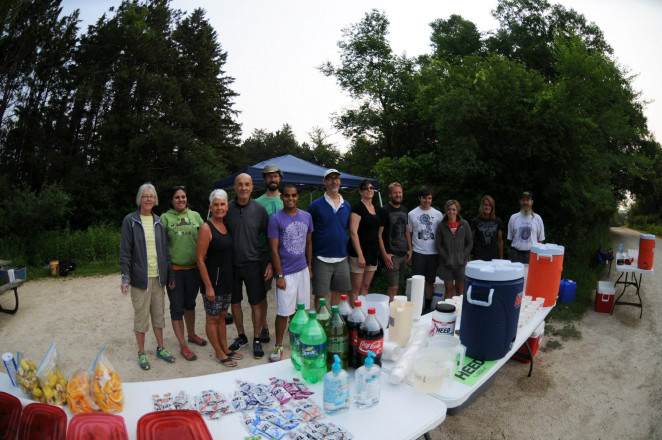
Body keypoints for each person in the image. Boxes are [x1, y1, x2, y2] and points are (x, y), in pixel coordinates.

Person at [120, 183, 176, 371]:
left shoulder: (159, 221)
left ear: (156, 200)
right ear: (139, 199)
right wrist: (126, 277)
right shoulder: (130, 221)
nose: (149, 199)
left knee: (159, 315)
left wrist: (170, 275)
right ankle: (142, 352)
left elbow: (165, 252)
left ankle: (161, 348)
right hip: (140, 280)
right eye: (145, 196)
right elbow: (125, 252)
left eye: (152, 196)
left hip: (158, 279)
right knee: (141, 317)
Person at [225, 173, 272, 359]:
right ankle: (242, 336)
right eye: (240, 185)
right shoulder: (226, 208)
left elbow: (269, 238)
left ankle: (257, 338)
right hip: (232, 265)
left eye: (247, 184)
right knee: (235, 302)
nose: (243, 188)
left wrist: (269, 263)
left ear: (252, 187)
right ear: (235, 188)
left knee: (255, 304)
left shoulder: (260, 210)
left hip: (254, 264)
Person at [195, 189, 243, 367]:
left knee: (222, 315)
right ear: (210, 207)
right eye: (216, 204)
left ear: (226, 206)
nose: (219, 207)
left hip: (226, 280)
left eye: (222, 204)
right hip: (212, 283)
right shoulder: (206, 228)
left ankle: (225, 348)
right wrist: (208, 286)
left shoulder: (226, 225)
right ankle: (218, 352)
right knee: (212, 318)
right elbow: (199, 259)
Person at [267, 184, 313, 362]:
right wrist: (279, 275)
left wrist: (309, 266)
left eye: (293, 195)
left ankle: (297, 342)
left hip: (302, 270)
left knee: (300, 312)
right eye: (287, 196)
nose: (290, 199)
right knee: (283, 312)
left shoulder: (306, 216)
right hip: (285, 272)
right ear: (281, 197)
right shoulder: (276, 219)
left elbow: (309, 243)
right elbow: (273, 249)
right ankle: (278, 345)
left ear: (298, 197)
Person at [161, 186, 207, 362]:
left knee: (190, 304)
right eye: (177, 197)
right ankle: (183, 345)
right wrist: (168, 272)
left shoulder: (195, 216)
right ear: (172, 200)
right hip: (175, 271)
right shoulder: (165, 218)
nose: (181, 200)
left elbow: (205, 237)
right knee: (176, 308)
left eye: (183, 197)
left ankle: (192, 334)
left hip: (194, 269)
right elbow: (161, 246)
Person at [308, 168, 352, 308]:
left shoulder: (347, 205)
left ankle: (334, 323)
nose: (334, 181)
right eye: (330, 178)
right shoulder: (315, 206)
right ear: (324, 182)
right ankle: (319, 326)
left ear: (340, 181)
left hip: (341, 258)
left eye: (336, 178)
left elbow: (347, 229)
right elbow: (309, 233)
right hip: (321, 258)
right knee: (320, 296)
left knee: (338, 293)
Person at [254, 164, 284, 346]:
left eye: (275, 176)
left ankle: (290, 324)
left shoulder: (287, 198)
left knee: (286, 291)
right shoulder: (257, 203)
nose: (273, 179)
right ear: (265, 179)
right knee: (262, 293)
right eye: (269, 177)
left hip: (285, 254)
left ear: (279, 178)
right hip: (264, 253)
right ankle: (264, 326)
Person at [408, 186, 443, 311]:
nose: (427, 201)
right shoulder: (412, 214)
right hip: (418, 252)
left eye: (429, 198)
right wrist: (410, 250)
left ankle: (427, 307)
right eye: (424, 198)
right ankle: (417, 307)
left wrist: (442, 252)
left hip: (433, 253)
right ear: (419, 198)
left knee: (430, 281)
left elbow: (442, 234)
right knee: (417, 282)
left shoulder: (438, 214)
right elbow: (409, 233)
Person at [347, 178, 380, 302]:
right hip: (358, 253)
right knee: (356, 288)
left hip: (372, 253)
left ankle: (363, 315)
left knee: (365, 287)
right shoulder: (357, 208)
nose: (369, 190)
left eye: (371, 188)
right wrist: (360, 255)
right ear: (360, 192)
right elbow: (353, 233)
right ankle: (354, 317)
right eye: (366, 188)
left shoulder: (375, 208)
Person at [378, 182, 412, 301]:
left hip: (403, 254)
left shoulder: (404, 209)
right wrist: (384, 255)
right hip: (391, 255)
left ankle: (394, 312)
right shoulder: (384, 210)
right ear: (390, 195)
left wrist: (410, 249)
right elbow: (379, 234)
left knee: (398, 286)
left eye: (399, 192)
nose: (398, 195)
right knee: (393, 287)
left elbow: (407, 230)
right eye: (395, 192)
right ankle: (388, 315)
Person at [435, 199, 473, 299]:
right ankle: (447, 311)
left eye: (454, 209)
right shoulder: (441, 226)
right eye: (449, 209)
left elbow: (469, 242)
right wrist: (445, 256)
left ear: (457, 210)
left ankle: (459, 312)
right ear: (446, 210)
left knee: (460, 289)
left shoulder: (464, 224)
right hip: (446, 264)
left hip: (461, 263)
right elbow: (438, 244)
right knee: (449, 289)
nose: (451, 212)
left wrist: (464, 255)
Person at [507, 191, 545, 263]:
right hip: (515, 254)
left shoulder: (537, 218)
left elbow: (541, 239)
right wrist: (519, 246)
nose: (525, 203)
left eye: (528, 200)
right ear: (520, 202)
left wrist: (534, 250)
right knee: (515, 274)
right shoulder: (513, 217)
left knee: (531, 274)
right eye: (523, 200)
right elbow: (511, 238)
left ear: (532, 202)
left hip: (531, 254)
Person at [471, 195, 504, 261]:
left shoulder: (497, 221)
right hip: (479, 256)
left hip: (494, 256)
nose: (487, 207)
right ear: (482, 206)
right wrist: (468, 255)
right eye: (485, 205)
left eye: (490, 205)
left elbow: (500, 241)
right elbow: (470, 240)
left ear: (492, 207)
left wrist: (501, 258)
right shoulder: (476, 221)